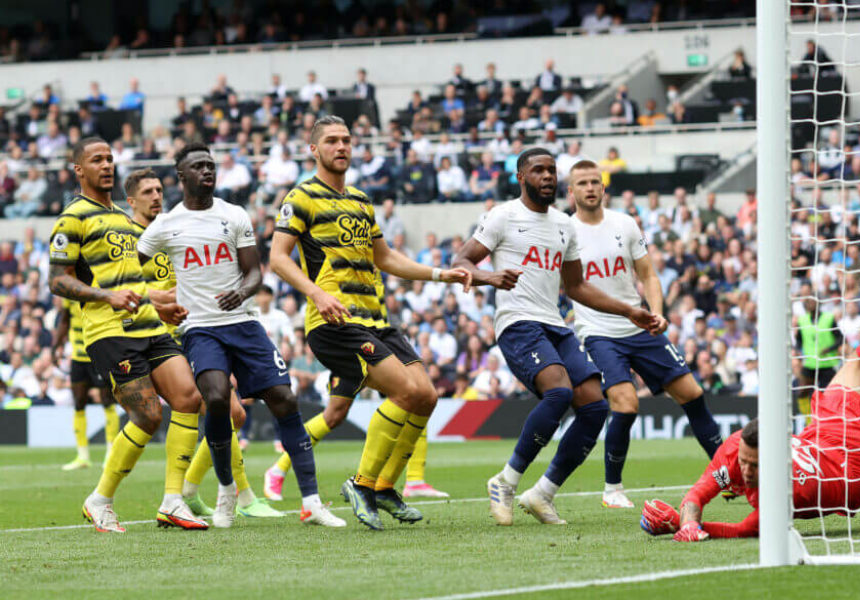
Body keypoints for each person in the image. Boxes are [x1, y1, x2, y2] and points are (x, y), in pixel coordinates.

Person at [640, 244, 860, 540]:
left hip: (847, 467)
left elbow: (744, 529)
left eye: (756, 466)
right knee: (859, 364)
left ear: (778, 459)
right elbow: (696, 495)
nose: (748, 472)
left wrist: (678, 525)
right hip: (832, 455)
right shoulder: (734, 450)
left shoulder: (785, 491)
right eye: (745, 462)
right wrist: (687, 522)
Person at [269, 115, 471, 530]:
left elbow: (386, 258)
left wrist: (440, 274)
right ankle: (361, 484)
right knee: (403, 391)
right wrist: (317, 294)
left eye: (346, 140)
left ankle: (383, 487)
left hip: (376, 320)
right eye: (331, 141)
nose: (341, 146)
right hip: (334, 322)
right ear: (314, 150)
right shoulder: (301, 196)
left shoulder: (361, 200)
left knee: (426, 396)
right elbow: (277, 258)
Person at [137, 145, 345, 529]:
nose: (207, 171)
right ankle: (227, 491)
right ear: (181, 177)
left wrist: (243, 291)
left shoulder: (233, 214)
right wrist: (153, 300)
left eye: (210, 165)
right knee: (217, 399)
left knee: (284, 398)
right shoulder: (166, 224)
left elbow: (254, 272)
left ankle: (312, 502)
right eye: (198, 167)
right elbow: (129, 268)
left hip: (244, 324)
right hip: (200, 329)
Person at [452, 148, 659, 525]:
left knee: (595, 406)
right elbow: (460, 262)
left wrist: (629, 310)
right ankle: (505, 481)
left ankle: (542, 493)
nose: (547, 176)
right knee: (560, 392)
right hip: (518, 322)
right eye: (538, 170)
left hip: (556, 325)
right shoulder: (503, 216)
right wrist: (489, 277)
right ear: (521, 177)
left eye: (551, 170)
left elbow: (576, 286)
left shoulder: (564, 224)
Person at [49, 137, 205, 533]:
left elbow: (131, 280)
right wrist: (107, 296)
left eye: (109, 159)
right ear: (79, 170)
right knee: (148, 415)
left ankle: (173, 501)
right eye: (96, 160)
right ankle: (99, 500)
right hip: (109, 331)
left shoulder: (121, 217)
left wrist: (159, 306)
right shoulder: (72, 219)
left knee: (188, 398)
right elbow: (57, 281)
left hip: (149, 324)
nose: (106, 165)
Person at [567, 161, 722, 508]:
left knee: (693, 394)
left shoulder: (625, 223)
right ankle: (612, 489)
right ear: (571, 191)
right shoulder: (565, 231)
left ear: (603, 188)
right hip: (598, 332)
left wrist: (657, 313)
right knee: (626, 402)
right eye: (583, 183)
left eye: (595, 182)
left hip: (638, 324)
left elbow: (649, 275)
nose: (590, 188)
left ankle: (727, 475)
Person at [53, 299, 120, 471]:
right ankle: (82, 456)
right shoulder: (69, 294)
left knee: (107, 401)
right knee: (78, 403)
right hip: (78, 357)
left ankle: (111, 454)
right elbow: (65, 320)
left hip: (99, 353)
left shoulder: (98, 289)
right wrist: (56, 346)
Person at [795, 296, 843, 419]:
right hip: (810, 363)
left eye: (813, 301)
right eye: (808, 302)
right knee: (802, 392)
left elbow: (840, 338)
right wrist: (798, 351)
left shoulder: (829, 318)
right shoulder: (802, 320)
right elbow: (799, 340)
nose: (810, 304)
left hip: (828, 363)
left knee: (826, 394)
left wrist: (829, 349)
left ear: (818, 303)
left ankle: (827, 419)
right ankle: (808, 419)